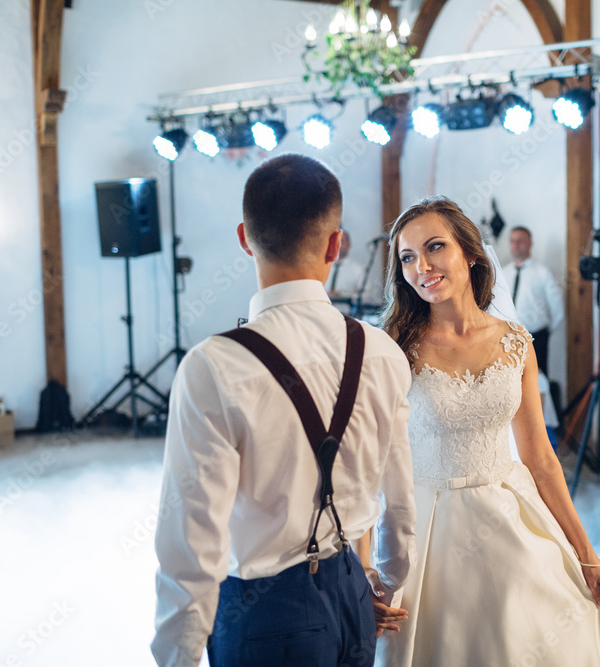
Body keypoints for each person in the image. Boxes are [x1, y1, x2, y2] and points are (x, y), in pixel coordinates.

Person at [152, 154, 417, 667]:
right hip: (354, 597)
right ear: (336, 244)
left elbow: (190, 545)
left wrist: (178, 659)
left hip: (262, 614)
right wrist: (386, 583)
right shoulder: (381, 351)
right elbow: (400, 501)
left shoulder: (213, 366)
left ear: (244, 238)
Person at [372, 196, 600, 666]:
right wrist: (369, 569)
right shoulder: (391, 348)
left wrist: (587, 555)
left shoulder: (516, 343)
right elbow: (370, 463)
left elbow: (541, 459)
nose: (420, 266)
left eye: (435, 247)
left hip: (508, 512)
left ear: (471, 253)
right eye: (406, 257)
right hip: (424, 527)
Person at [502, 226, 564, 376]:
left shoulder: (542, 272)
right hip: (507, 339)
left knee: (537, 382)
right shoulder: (503, 273)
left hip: (536, 338)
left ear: (530, 243)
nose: (516, 244)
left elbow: (557, 307)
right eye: (512, 240)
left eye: (520, 240)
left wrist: (544, 330)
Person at [325, 229, 368, 314]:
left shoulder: (357, 269)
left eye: (342, 241)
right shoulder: (324, 267)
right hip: (324, 314)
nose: (339, 244)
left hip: (347, 316)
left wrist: (343, 295)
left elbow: (366, 295)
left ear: (349, 245)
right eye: (337, 241)